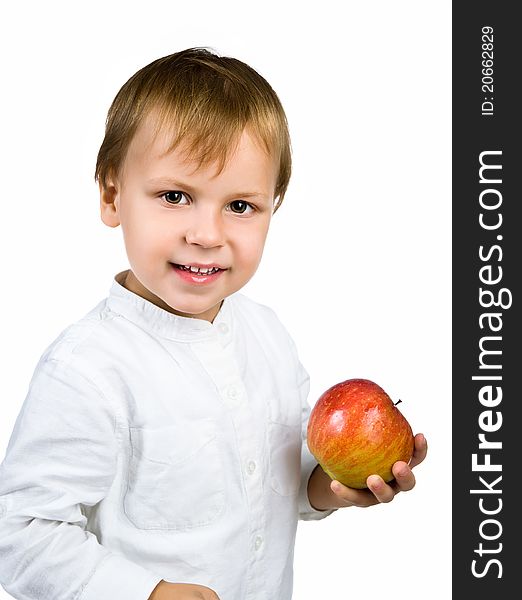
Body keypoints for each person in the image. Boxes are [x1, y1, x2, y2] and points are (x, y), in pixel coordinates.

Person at [0, 48, 427, 600]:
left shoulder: (268, 337)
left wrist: (333, 485)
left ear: (274, 206)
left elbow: (279, 483)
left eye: (241, 206)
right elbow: (20, 532)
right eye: (175, 196)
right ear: (112, 196)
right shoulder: (87, 369)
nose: (207, 233)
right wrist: (146, 592)